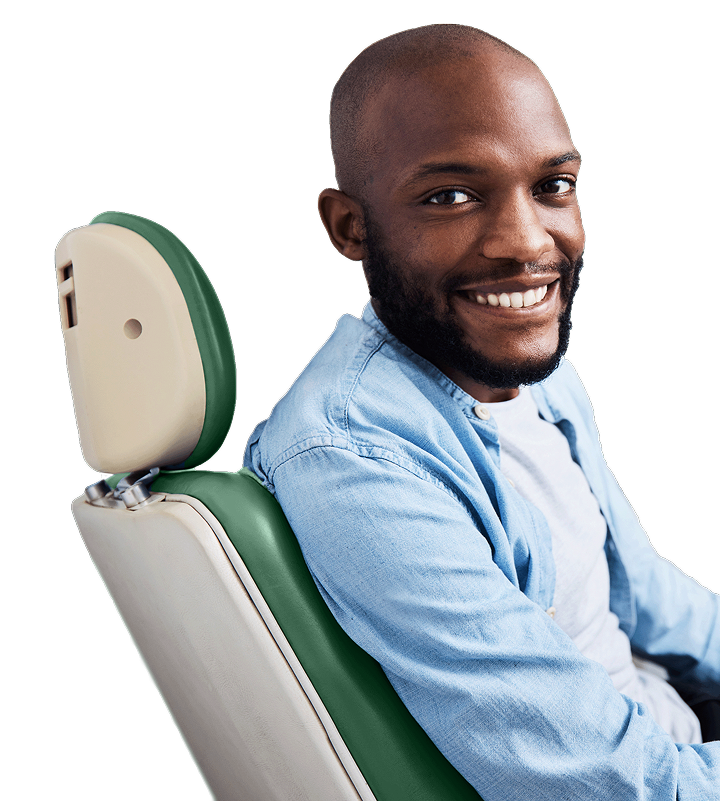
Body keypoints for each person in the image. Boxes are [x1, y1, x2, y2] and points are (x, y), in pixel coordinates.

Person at [244, 23, 719, 799]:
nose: (525, 242)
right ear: (349, 227)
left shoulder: (536, 372)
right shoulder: (351, 456)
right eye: (451, 196)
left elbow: (652, 599)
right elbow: (611, 783)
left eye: (552, 186)